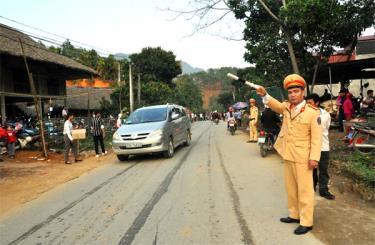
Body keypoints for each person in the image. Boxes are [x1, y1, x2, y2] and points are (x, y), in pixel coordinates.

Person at [256, 74, 322, 235]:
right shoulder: (286, 108)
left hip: (304, 157)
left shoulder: (312, 112)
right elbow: (275, 105)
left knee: (305, 190)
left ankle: (306, 222)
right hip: (288, 154)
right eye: (290, 92)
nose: (293, 94)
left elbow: (317, 138)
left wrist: (314, 157)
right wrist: (265, 94)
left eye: (296, 91)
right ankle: (294, 214)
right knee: (291, 188)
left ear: (303, 92)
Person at [306, 93, 335, 200]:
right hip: (310, 147)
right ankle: (311, 188)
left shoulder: (325, 115)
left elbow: (325, 128)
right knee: (311, 170)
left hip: (323, 147)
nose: (307, 105)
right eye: (306, 103)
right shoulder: (304, 114)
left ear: (317, 103)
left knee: (323, 170)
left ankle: (323, 190)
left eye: (310, 103)